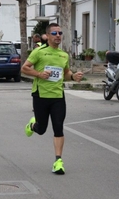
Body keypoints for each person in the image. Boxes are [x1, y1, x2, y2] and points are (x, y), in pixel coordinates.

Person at [21, 23, 83, 175]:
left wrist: (74, 76)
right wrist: (39, 74)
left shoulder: (63, 55)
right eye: (54, 33)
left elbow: (66, 72)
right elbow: (24, 68)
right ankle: (33, 125)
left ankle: (58, 161)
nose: (58, 36)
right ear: (47, 36)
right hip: (41, 95)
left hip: (57, 96)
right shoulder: (39, 52)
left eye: (60, 33)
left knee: (58, 127)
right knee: (42, 130)